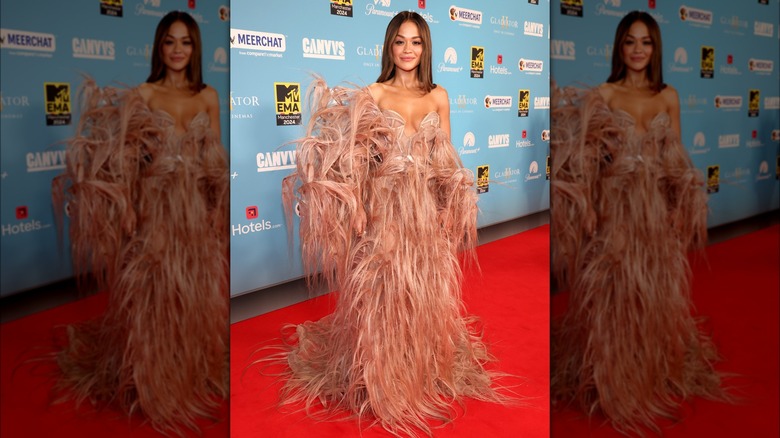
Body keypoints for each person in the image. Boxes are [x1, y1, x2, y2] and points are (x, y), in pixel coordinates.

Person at [275, 11, 506, 437]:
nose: (407, 50)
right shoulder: (373, 94)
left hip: (425, 210)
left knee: (422, 288)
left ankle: (418, 369)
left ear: (425, 47)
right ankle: (383, 380)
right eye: (400, 41)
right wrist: (356, 204)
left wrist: (449, 204)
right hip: (385, 209)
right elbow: (353, 158)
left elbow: (447, 158)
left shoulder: (439, 96)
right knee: (385, 292)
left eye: (416, 42)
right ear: (389, 46)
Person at [550, 11, 728, 435]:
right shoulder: (604, 95)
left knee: (652, 288)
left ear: (656, 48)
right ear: (619, 46)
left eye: (646, 42)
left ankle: (650, 365)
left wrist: (681, 205)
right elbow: (584, 161)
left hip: (655, 211)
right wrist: (589, 207)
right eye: (630, 41)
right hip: (617, 209)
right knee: (617, 291)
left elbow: (677, 159)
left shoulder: (669, 97)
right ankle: (615, 374)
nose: (637, 50)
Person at [52, 11, 228, 434]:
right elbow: (125, 160)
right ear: (158, 47)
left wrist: (214, 208)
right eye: (169, 41)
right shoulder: (142, 95)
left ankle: (187, 369)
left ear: (195, 47)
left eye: (185, 42)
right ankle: (154, 379)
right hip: (156, 208)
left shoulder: (208, 96)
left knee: (192, 290)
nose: (177, 50)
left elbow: (216, 159)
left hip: (195, 209)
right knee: (157, 292)